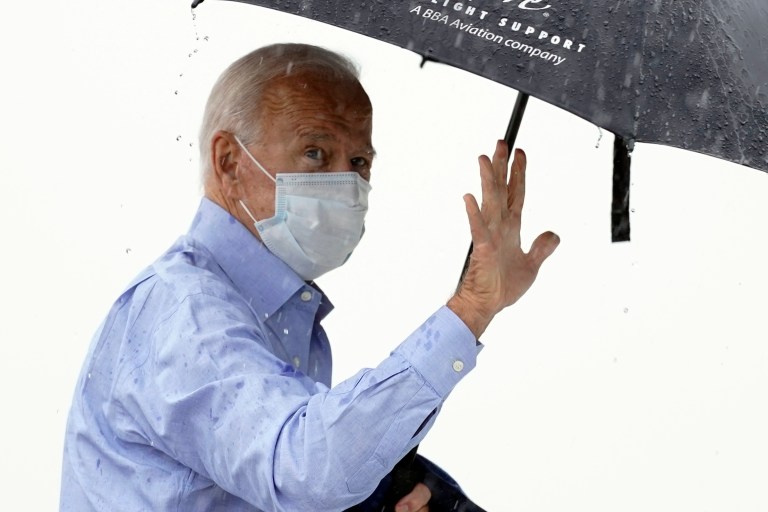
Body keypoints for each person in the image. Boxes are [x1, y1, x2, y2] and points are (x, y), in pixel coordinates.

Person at [60, 43, 560, 511]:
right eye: (316, 152)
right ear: (229, 161)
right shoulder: (186, 311)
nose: (345, 182)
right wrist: (471, 306)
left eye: (359, 161)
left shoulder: (279, 319)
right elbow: (304, 469)